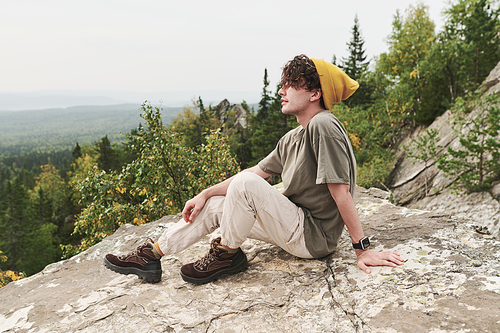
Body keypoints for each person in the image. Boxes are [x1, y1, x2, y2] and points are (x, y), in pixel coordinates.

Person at [103, 54, 403, 284]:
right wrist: (204, 193)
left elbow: (341, 192)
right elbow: (256, 172)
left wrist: (362, 250)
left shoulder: (323, 125)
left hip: (313, 237)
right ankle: (151, 255)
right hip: (292, 225)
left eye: (292, 84)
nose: (282, 90)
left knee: (244, 186)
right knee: (219, 202)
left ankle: (226, 255)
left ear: (315, 93)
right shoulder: (293, 137)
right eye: (283, 83)